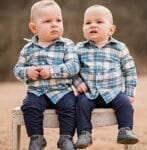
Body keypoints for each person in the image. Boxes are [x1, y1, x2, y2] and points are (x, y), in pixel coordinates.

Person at [13, 0, 79, 150]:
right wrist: (27, 72)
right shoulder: (28, 49)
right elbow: (17, 69)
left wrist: (52, 71)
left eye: (58, 20)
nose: (55, 24)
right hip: (37, 91)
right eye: (48, 21)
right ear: (34, 28)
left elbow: (74, 66)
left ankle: (66, 138)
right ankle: (36, 138)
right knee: (29, 106)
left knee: (70, 107)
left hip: (62, 90)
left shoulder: (66, 45)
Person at [73, 5, 139, 149]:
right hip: (88, 93)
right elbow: (72, 70)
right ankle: (84, 133)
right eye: (88, 23)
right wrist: (78, 83)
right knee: (80, 104)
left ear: (111, 29)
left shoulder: (119, 48)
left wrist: (129, 92)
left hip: (113, 92)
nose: (93, 25)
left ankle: (125, 130)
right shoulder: (79, 48)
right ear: (83, 28)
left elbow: (130, 71)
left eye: (99, 22)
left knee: (125, 103)